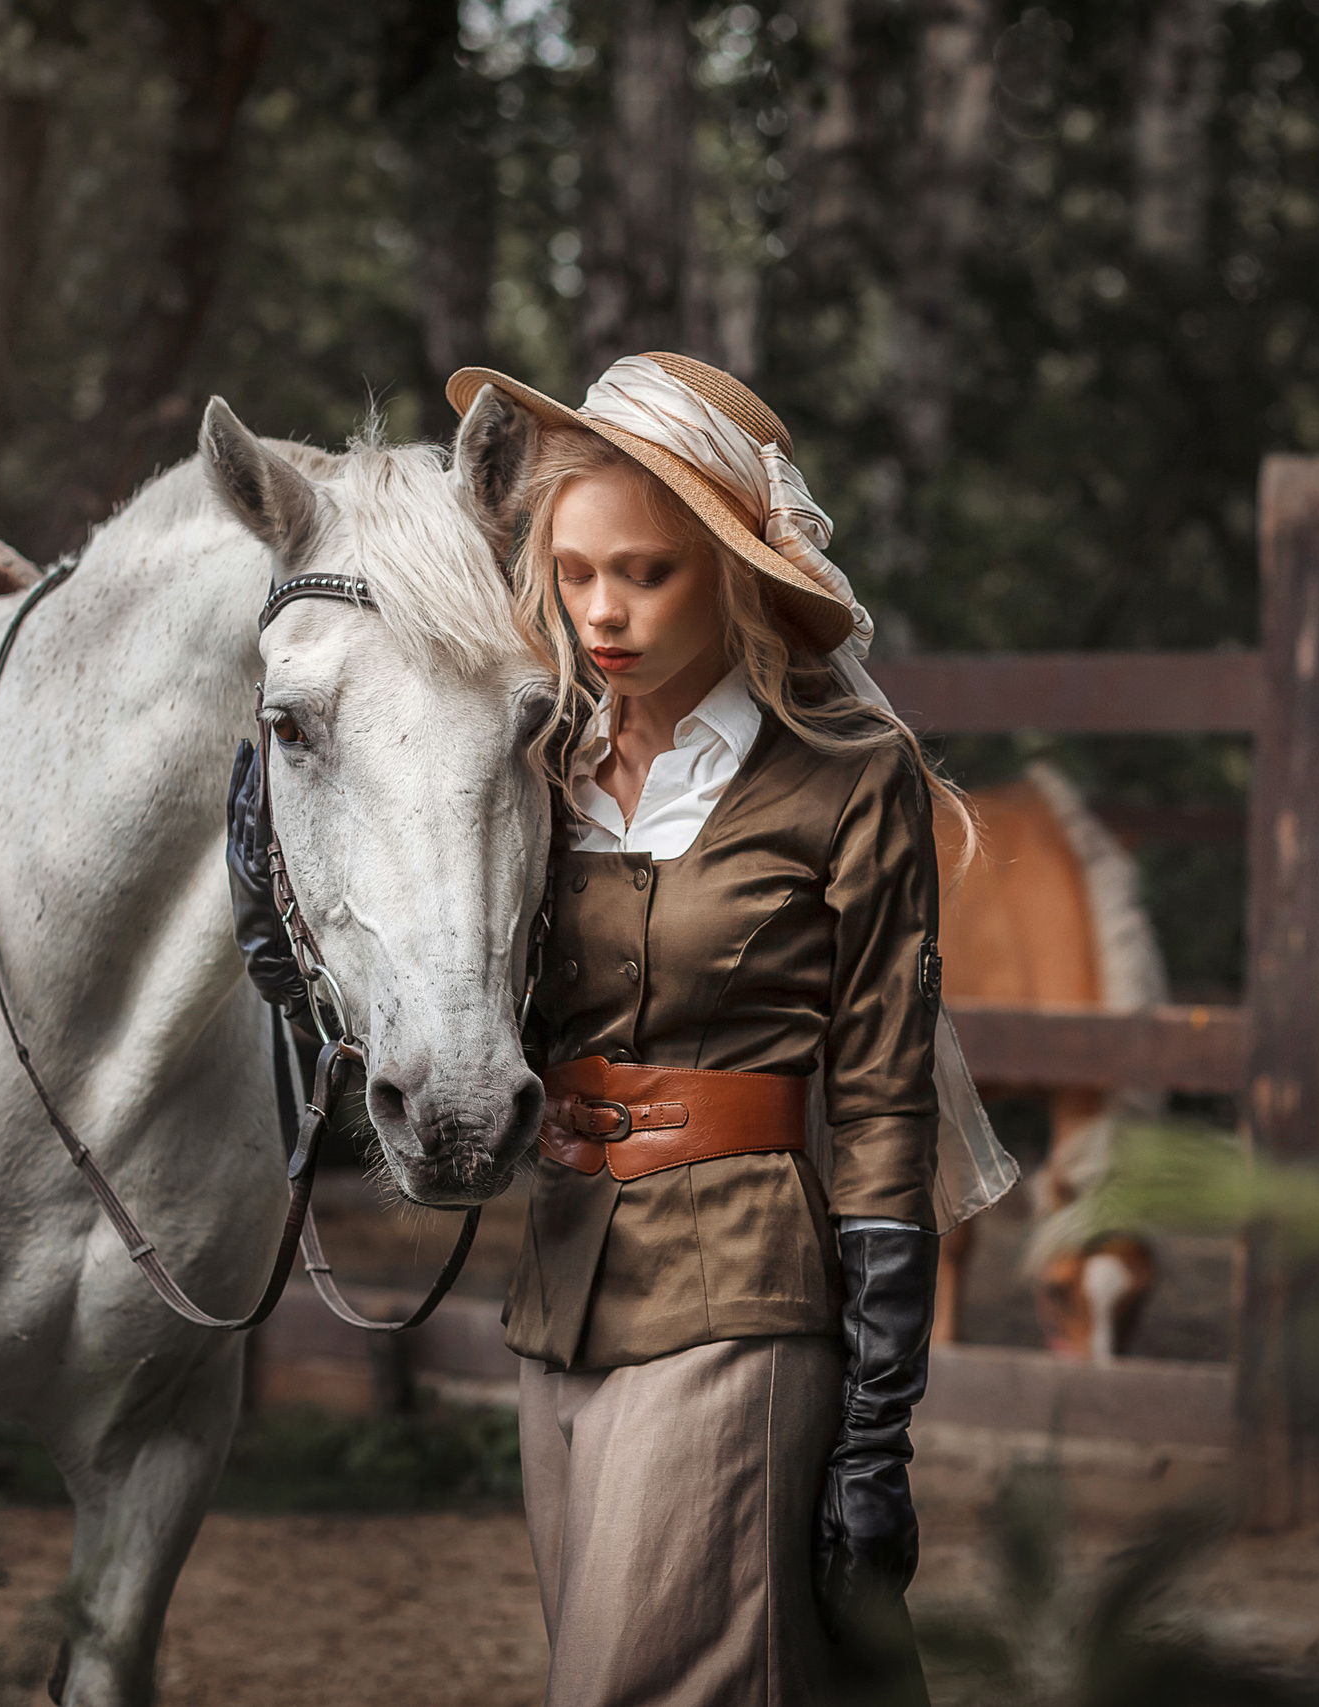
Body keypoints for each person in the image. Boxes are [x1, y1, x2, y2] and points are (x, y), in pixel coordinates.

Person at [445, 353, 1016, 1706]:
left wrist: (875, 1430)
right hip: (559, 1300)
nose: (602, 611)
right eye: (575, 572)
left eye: (645, 573)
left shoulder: (846, 779)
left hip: (742, 1305)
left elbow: (883, 1102)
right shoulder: (535, 770)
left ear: (733, 573)